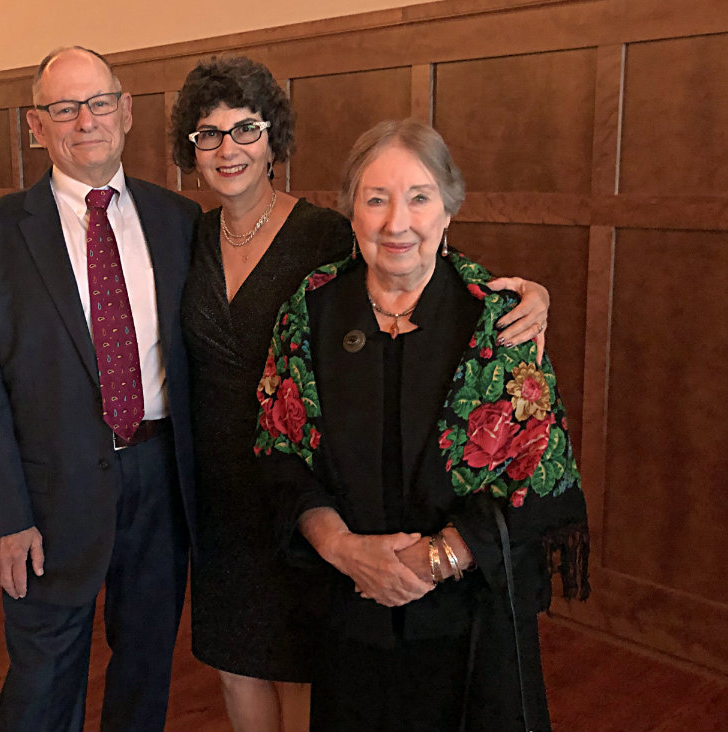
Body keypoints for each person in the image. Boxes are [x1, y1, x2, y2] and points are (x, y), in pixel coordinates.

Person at [171, 57, 552, 732]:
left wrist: (530, 297)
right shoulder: (187, 237)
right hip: (225, 490)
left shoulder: (323, 234)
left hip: (311, 487)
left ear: (273, 139)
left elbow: (417, 276)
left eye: (246, 128)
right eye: (209, 133)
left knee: (299, 665)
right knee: (234, 664)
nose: (228, 148)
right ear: (191, 147)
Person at [254, 118, 589, 731]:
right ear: (351, 213)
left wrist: (432, 561)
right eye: (375, 199)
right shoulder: (311, 309)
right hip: (349, 610)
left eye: (418, 197)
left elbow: (541, 480)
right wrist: (345, 549)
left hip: (471, 621)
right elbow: (280, 454)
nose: (396, 222)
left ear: (447, 211)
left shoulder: (498, 320)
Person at [0, 46, 200, 732]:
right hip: (47, 494)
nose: (85, 120)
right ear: (36, 125)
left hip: (161, 477)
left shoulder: (180, 222)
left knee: (146, 663)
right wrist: (2, 518)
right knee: (43, 673)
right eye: (64, 108)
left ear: (126, 111)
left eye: (98, 103)